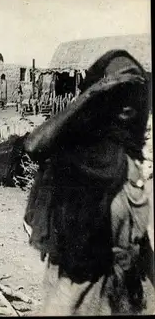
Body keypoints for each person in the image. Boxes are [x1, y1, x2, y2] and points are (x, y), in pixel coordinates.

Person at [23, 50, 154, 315]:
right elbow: (33, 145)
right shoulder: (80, 151)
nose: (127, 101)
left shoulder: (132, 157)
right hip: (78, 290)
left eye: (134, 92)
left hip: (127, 294)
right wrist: (95, 91)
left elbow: (140, 241)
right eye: (118, 93)